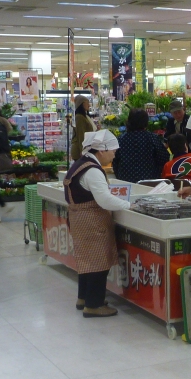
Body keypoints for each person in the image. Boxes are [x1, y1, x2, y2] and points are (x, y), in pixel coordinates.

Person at [65, 131, 131, 317]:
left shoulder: (80, 163)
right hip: (91, 220)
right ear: (102, 150)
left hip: (80, 219)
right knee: (98, 263)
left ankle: (84, 298)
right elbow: (104, 200)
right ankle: (94, 305)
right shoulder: (93, 170)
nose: (114, 155)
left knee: (86, 261)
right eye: (113, 151)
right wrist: (129, 205)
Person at [113, 108, 169, 183]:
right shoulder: (152, 138)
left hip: (126, 181)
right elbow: (164, 158)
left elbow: (114, 160)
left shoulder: (121, 139)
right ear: (146, 122)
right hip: (149, 182)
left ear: (129, 121)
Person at [70, 95, 96, 162]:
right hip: (79, 151)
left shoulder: (84, 116)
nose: (89, 105)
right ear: (82, 104)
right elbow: (81, 135)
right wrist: (83, 150)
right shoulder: (79, 117)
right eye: (87, 103)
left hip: (84, 148)